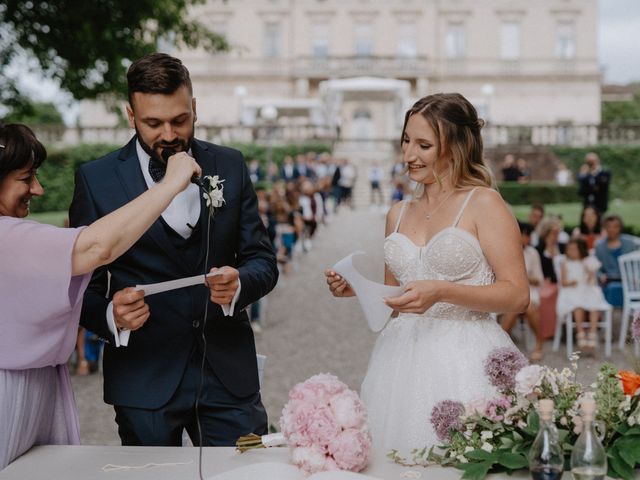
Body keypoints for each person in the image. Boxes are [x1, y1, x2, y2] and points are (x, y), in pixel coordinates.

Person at [69, 53, 278, 447]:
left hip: (228, 379)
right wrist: (111, 314)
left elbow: (263, 260)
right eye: (153, 123)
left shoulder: (230, 164)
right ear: (130, 115)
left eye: (179, 120)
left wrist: (240, 284)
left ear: (195, 108)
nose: (168, 134)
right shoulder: (96, 180)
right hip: (144, 379)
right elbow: (79, 289)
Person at [325, 93, 529, 454]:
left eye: (423, 145)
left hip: (466, 358)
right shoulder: (397, 213)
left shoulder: (484, 203)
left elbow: (517, 294)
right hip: (399, 360)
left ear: (455, 147)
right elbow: (396, 300)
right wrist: (358, 288)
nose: (408, 156)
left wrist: (442, 291)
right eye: (406, 141)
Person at [0, 123, 201, 468]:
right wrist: (170, 184)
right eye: (26, 177)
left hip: (37, 385)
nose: (39, 189)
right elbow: (97, 246)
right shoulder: (7, 236)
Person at [557, 238, 610, 355]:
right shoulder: (566, 263)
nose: (571, 252)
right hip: (571, 290)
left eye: (574, 249)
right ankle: (580, 332)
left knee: (594, 303)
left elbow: (591, 281)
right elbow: (564, 282)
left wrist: (590, 273)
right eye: (569, 249)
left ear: (581, 250)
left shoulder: (586, 262)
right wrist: (572, 283)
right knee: (577, 305)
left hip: (586, 289)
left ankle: (592, 332)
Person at [501, 222, 545, 361]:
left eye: (529, 235)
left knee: (529, 306)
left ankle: (539, 344)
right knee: (514, 307)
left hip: (529, 290)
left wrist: (525, 278)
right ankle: (500, 344)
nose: (529, 238)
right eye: (526, 235)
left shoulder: (532, 253)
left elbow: (539, 279)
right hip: (509, 291)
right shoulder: (505, 250)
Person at [595, 215, 640, 307]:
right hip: (610, 280)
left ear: (620, 228)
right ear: (605, 228)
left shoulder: (631, 243)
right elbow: (596, 267)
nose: (612, 229)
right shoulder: (600, 246)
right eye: (609, 226)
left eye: (615, 226)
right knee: (612, 288)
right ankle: (614, 315)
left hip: (630, 280)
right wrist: (600, 275)